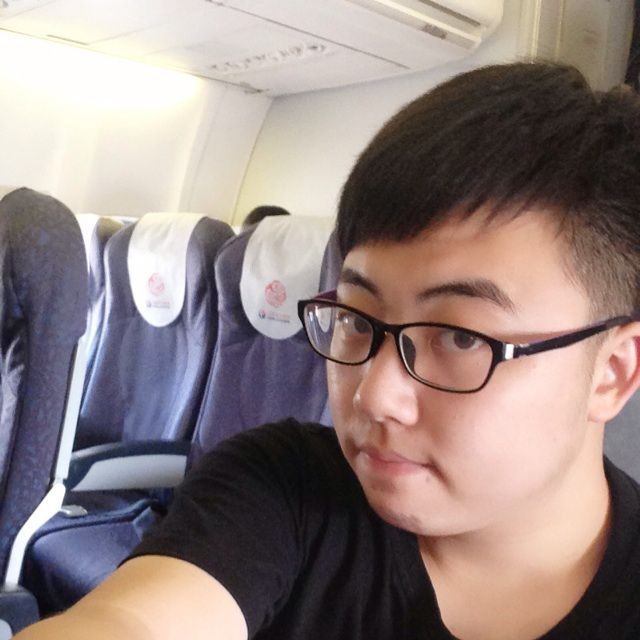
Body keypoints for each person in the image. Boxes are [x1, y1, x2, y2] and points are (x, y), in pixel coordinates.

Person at [17, 62, 640, 639]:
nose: (374, 394)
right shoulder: (282, 488)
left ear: (612, 372)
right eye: (357, 319)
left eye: (460, 337)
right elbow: (135, 623)